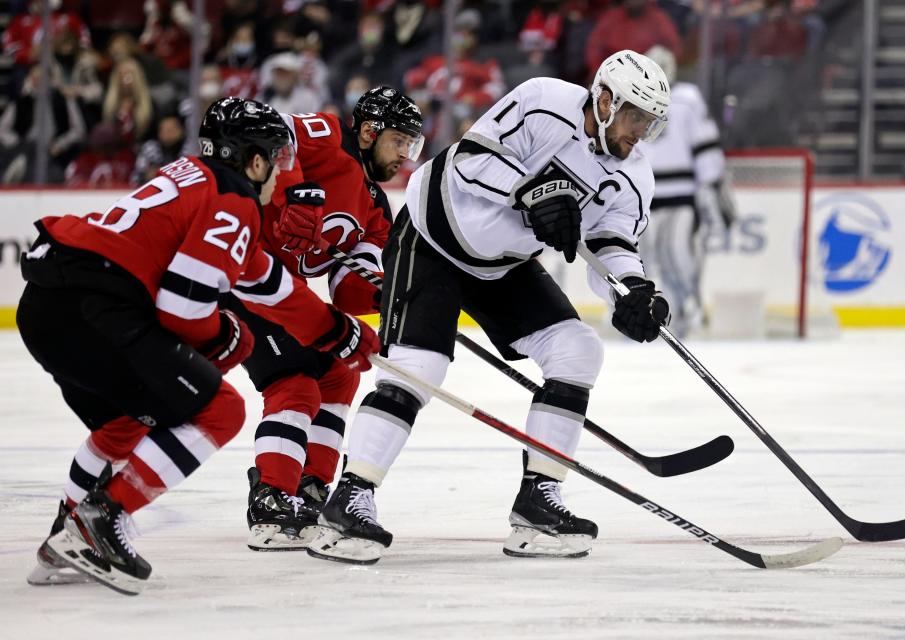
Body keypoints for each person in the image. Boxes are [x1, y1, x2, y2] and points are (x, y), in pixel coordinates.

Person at [309, 50, 672, 565]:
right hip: (434, 236)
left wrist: (632, 291)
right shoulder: (545, 101)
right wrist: (534, 192)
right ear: (607, 100)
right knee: (419, 368)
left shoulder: (634, 175)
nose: (641, 131)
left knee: (577, 351)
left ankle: (537, 504)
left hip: (503, 262)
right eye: (636, 116)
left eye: (650, 122)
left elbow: (611, 241)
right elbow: (469, 160)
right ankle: (349, 499)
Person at [19, 97, 379, 594]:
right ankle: (99, 520)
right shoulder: (234, 199)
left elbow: (265, 282)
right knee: (220, 411)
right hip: (97, 303)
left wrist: (336, 331)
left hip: (46, 302)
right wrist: (222, 337)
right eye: (277, 159)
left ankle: (64, 532)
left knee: (122, 421)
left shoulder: (191, 173)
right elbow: (183, 309)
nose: (283, 173)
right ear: (253, 160)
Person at [232, 85, 423, 551]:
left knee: (339, 372)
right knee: (294, 381)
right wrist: (298, 189)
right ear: (368, 131)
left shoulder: (377, 209)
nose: (405, 155)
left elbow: (345, 287)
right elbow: (268, 129)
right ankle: (272, 497)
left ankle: (309, 487)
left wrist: (384, 293)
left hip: (282, 293)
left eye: (412, 146)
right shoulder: (328, 136)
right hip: (239, 269)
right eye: (399, 141)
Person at [636, 46, 735, 338]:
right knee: (644, 258)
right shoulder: (635, 101)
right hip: (646, 198)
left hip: (681, 196)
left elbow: (705, 147)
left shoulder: (688, 99)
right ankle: (645, 310)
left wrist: (709, 186)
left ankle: (685, 308)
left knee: (678, 254)